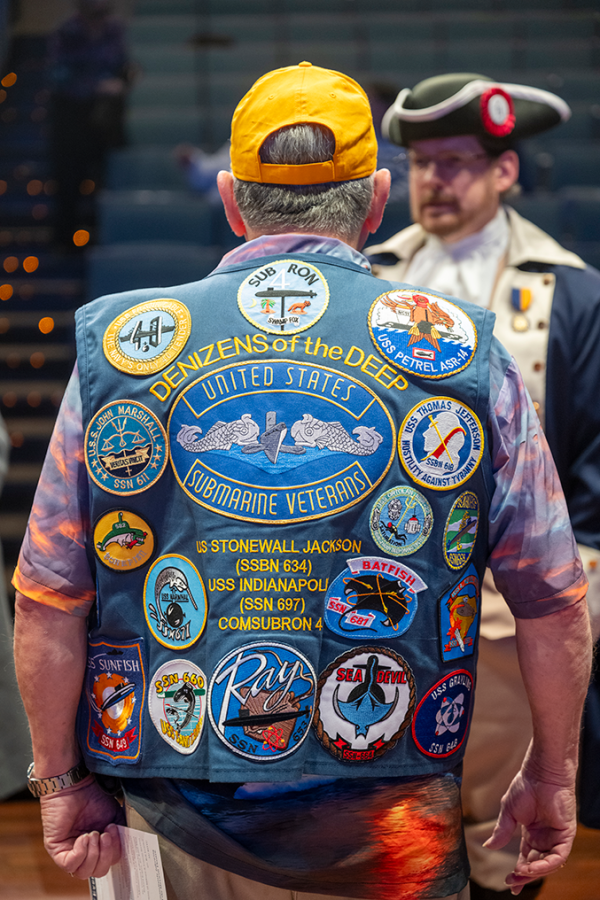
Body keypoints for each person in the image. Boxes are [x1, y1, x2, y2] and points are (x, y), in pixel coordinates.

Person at [13, 63, 592, 900]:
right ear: (379, 196)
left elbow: (47, 594)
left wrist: (61, 783)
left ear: (229, 197)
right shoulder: (464, 351)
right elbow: (551, 594)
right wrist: (553, 774)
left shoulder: (125, 349)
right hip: (391, 817)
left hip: (174, 792)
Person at [365, 72, 600, 899]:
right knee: (391, 813)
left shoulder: (569, 290)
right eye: (422, 163)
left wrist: (582, 586)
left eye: (459, 161)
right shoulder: (367, 281)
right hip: (383, 596)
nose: (436, 180)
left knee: (500, 816)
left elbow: (594, 462)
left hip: (510, 607)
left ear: (506, 171)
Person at [48, 0, 130, 248]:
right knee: (69, 182)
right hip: (71, 121)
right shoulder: (67, 31)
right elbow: (59, 77)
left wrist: (121, 82)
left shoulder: (113, 29)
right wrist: (96, 86)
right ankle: (64, 245)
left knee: (105, 183)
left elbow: (121, 65)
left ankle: (101, 242)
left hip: (105, 123)